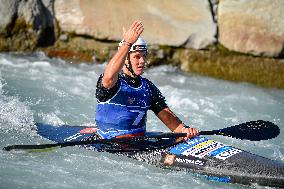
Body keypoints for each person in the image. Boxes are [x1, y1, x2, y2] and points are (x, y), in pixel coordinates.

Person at [95, 21, 199, 140]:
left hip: (139, 142)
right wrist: (127, 43)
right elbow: (108, 78)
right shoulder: (114, 83)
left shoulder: (148, 87)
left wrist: (185, 130)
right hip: (110, 141)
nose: (142, 61)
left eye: (144, 56)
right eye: (137, 57)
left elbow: (171, 121)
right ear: (125, 59)